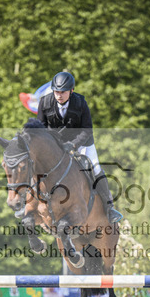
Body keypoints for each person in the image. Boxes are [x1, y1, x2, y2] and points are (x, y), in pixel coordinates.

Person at [37, 71, 122, 224]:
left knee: (95, 168)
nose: (59, 95)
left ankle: (109, 208)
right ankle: (30, 204)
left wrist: (73, 144)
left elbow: (87, 129)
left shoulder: (80, 103)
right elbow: (41, 128)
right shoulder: (44, 102)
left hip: (82, 143)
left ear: (71, 91)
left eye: (63, 92)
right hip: (57, 145)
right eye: (56, 92)